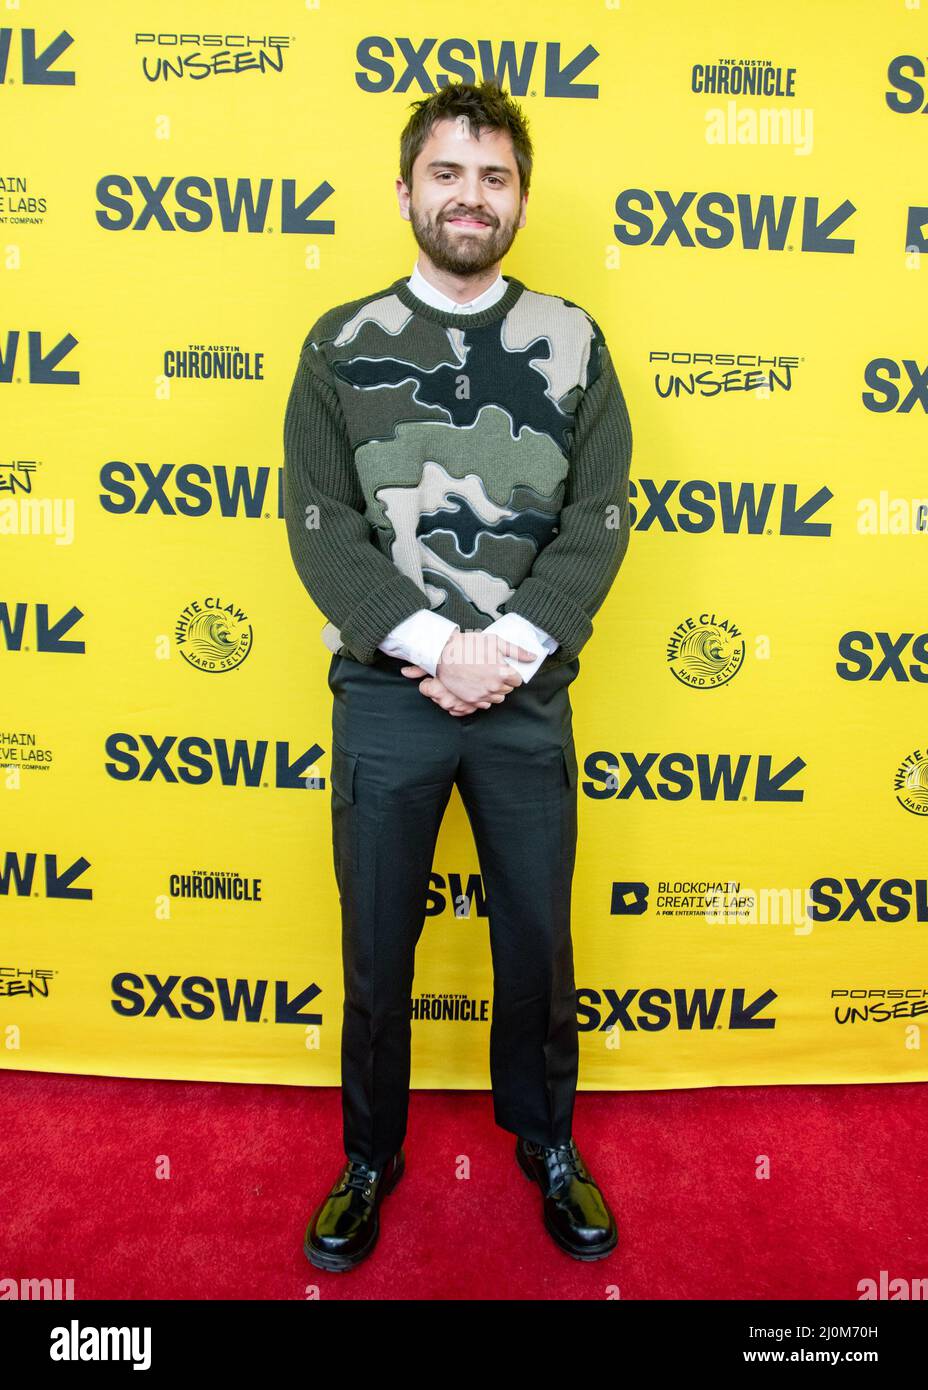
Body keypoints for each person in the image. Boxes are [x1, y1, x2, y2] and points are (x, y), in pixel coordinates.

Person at [283, 79, 633, 1272]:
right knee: (378, 944)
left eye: (492, 177)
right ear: (405, 190)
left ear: (520, 198)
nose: (469, 197)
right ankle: (368, 1155)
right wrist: (435, 647)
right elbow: (320, 524)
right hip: (390, 696)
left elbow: (600, 517)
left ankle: (546, 1143)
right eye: (448, 173)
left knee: (536, 939)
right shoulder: (338, 344)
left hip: (524, 692)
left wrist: (508, 650)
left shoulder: (576, 341)